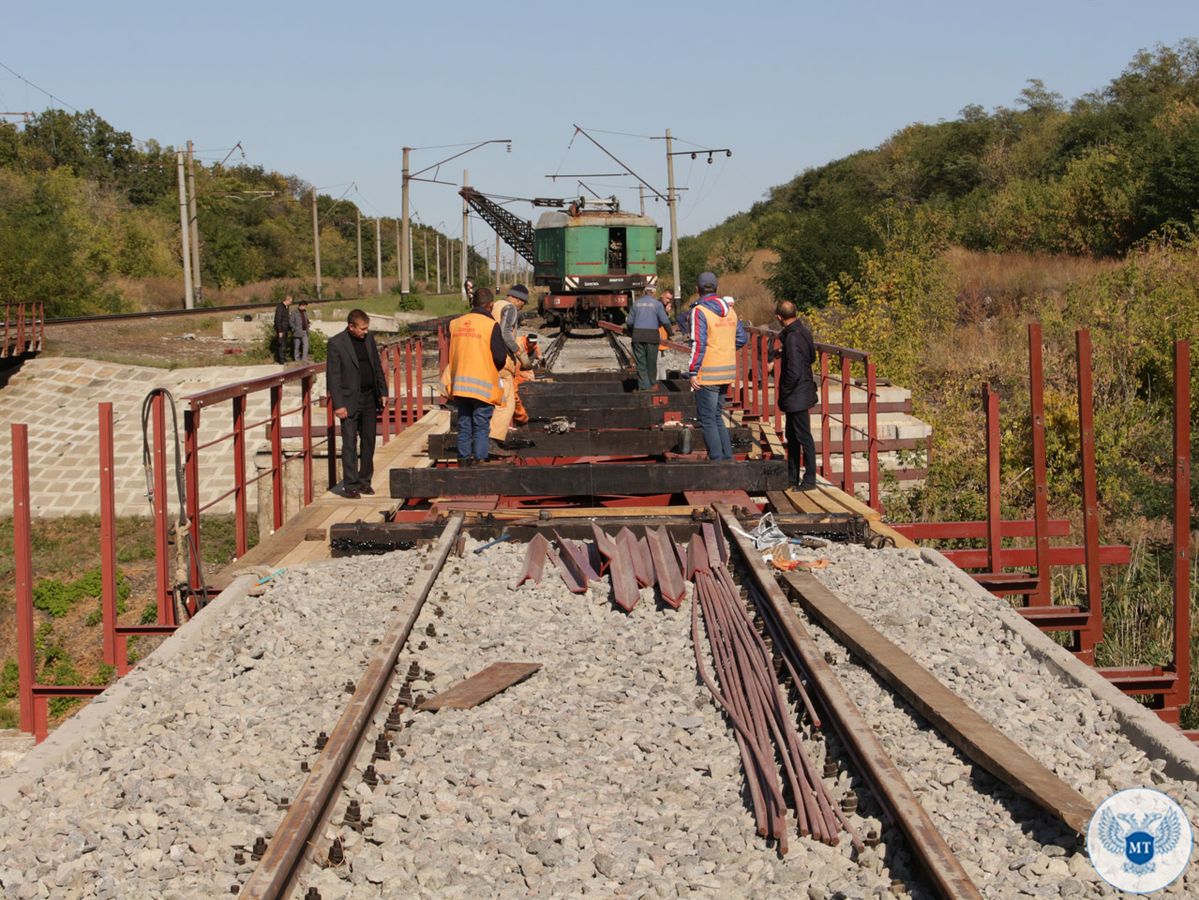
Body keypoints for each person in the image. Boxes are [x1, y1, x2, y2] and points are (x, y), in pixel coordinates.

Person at [326, 310, 388, 499]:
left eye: (367, 328)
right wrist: (338, 404)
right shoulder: (336, 343)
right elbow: (333, 376)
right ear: (351, 326)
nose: (365, 332)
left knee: (369, 441)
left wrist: (383, 392)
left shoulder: (368, 340)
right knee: (350, 443)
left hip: (370, 398)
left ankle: (364, 481)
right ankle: (350, 484)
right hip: (349, 400)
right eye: (362, 329)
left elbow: (376, 366)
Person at [442, 288, 507, 465]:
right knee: (481, 423)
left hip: (460, 385)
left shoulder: (455, 324)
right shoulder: (490, 325)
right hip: (482, 386)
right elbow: (500, 357)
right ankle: (479, 459)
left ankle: (463, 460)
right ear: (491, 305)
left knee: (464, 422)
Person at [687, 272, 747, 460]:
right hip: (727, 371)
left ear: (697, 290)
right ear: (717, 289)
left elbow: (699, 343)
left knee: (707, 419)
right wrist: (725, 349)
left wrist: (693, 371)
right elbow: (741, 338)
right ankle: (727, 459)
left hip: (708, 372)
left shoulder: (699, 311)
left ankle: (717, 461)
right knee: (717, 416)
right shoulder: (731, 310)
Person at [771, 300, 818, 489]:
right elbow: (812, 357)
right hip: (803, 390)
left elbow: (794, 372)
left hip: (796, 394)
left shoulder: (791, 338)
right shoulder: (803, 332)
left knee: (802, 436)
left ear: (779, 318)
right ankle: (793, 477)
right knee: (793, 435)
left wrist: (784, 391)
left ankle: (809, 479)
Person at [487, 284, 532, 453]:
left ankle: (487, 437)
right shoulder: (510, 308)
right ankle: (494, 441)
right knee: (506, 403)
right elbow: (505, 333)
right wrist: (520, 354)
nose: (522, 307)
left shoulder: (495, 305)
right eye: (523, 303)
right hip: (503, 361)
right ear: (518, 299)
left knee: (491, 401)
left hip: (489, 359)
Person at [627, 284, 671, 390]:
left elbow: (629, 322)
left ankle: (643, 387)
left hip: (638, 336)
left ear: (644, 292)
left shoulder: (636, 304)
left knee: (641, 363)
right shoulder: (657, 305)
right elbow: (665, 321)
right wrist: (670, 333)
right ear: (654, 293)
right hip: (652, 337)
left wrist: (632, 332)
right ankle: (652, 384)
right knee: (651, 362)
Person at [511, 333, 543, 427]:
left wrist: (540, 357)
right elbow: (519, 360)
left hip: (522, 361)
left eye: (534, 343)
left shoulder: (533, 344)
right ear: (527, 341)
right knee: (516, 380)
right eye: (531, 343)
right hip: (517, 361)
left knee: (530, 378)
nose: (533, 345)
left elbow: (537, 348)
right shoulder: (520, 343)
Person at [657, 288, 676, 381]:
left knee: (661, 362)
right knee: (658, 362)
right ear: (662, 295)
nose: (668, 300)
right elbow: (662, 321)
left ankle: (662, 380)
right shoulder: (658, 305)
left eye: (670, 299)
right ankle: (658, 381)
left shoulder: (662, 306)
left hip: (662, 339)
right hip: (658, 338)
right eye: (667, 298)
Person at [273, 295, 293, 364]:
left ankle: (283, 358)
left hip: (286, 329)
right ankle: (281, 360)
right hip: (281, 329)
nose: (291, 303)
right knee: (281, 344)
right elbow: (277, 320)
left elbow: (286, 319)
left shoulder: (287, 307)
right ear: (287, 300)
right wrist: (280, 331)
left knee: (284, 344)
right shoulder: (280, 307)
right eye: (290, 301)